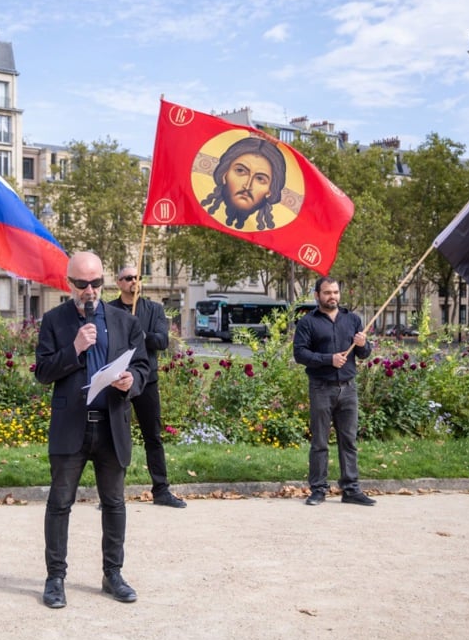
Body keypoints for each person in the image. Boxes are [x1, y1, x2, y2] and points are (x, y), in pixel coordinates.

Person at [34, 251, 150, 609]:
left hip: (111, 426)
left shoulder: (123, 321)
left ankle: (112, 574)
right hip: (71, 428)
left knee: (114, 503)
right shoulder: (54, 320)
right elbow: (42, 372)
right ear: (69, 283)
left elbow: (144, 367)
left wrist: (131, 381)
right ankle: (55, 578)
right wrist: (74, 348)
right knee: (59, 504)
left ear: (104, 282)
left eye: (96, 282)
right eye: (82, 283)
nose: (90, 290)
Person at [292, 276, 376, 507]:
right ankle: (318, 489)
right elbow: (300, 354)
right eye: (327, 293)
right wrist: (328, 359)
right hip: (321, 388)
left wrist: (362, 345)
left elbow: (364, 354)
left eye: (336, 292)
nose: (333, 297)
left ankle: (351, 489)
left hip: (348, 389)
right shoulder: (307, 322)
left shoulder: (352, 320)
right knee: (319, 442)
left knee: (348, 441)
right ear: (317, 295)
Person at [106, 266, 186, 508]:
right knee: (114, 437)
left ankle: (161, 490)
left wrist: (137, 332)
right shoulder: (109, 309)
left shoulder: (154, 309)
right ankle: (112, 494)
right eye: (129, 278)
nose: (134, 281)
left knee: (153, 436)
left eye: (138, 277)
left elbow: (161, 340)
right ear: (119, 282)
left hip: (146, 379)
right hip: (117, 380)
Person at [200, 136, 286, 231]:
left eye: (260, 178)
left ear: (270, 190)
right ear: (225, 174)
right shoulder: (200, 219)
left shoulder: (267, 236)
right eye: (240, 171)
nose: (247, 186)